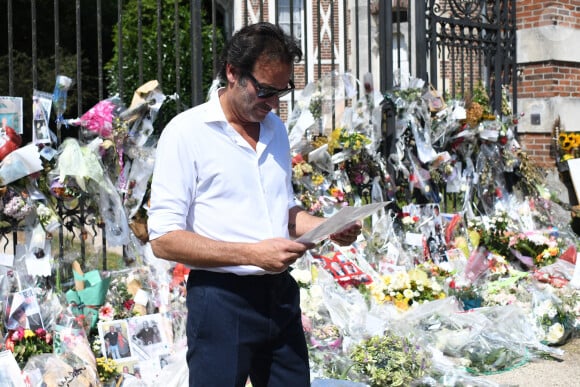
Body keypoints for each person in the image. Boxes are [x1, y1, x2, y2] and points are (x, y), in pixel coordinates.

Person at [148, 22, 361, 387]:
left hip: (279, 297)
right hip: (220, 301)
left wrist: (326, 226)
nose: (273, 103)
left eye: (281, 92)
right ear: (232, 72)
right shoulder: (186, 133)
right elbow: (164, 238)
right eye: (264, 90)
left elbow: (284, 212)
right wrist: (252, 254)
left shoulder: (275, 129)